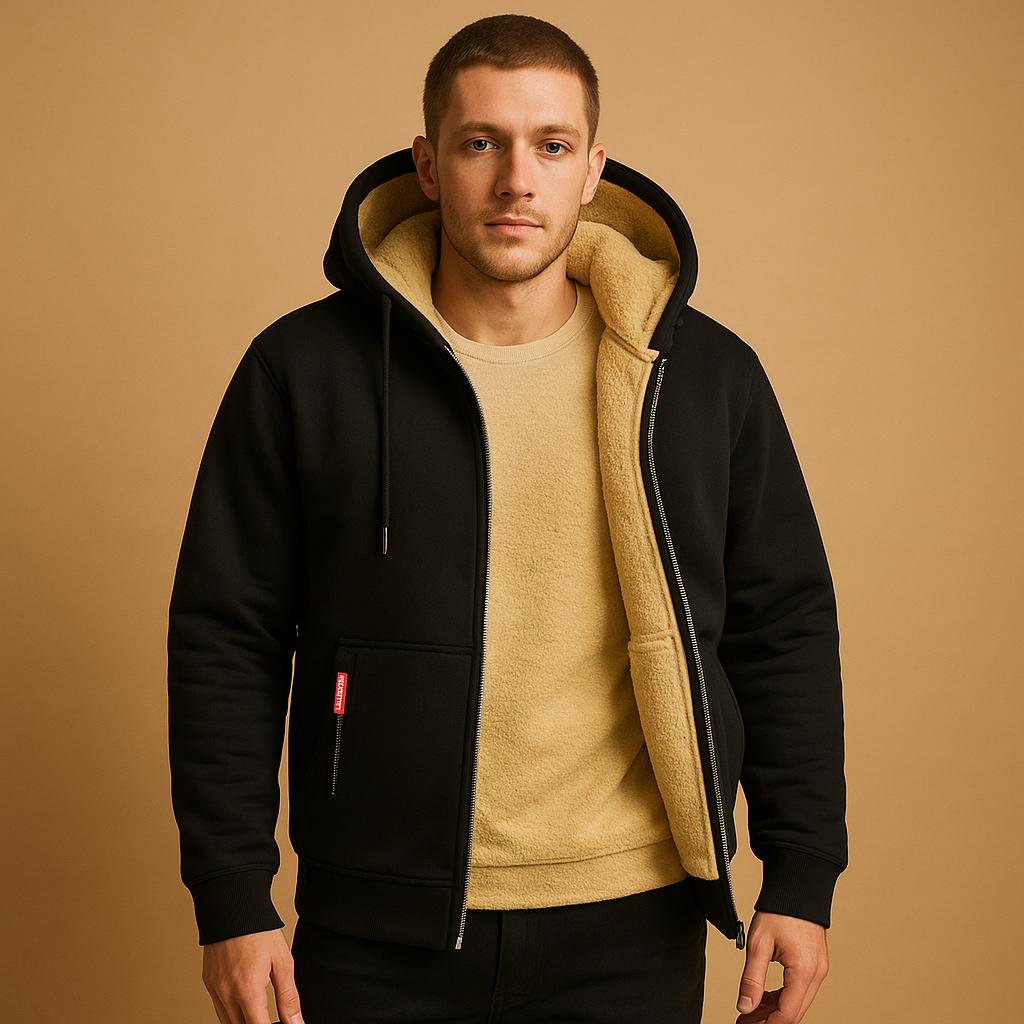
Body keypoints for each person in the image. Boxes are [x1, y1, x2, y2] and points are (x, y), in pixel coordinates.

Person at [168, 14, 846, 1024]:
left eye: (552, 146)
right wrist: (231, 896)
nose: (516, 181)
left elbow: (781, 623)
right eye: (481, 142)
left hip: (631, 921)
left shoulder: (701, 377)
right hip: (374, 923)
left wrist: (799, 870)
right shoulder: (303, 370)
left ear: (593, 171)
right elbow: (228, 634)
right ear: (428, 165)